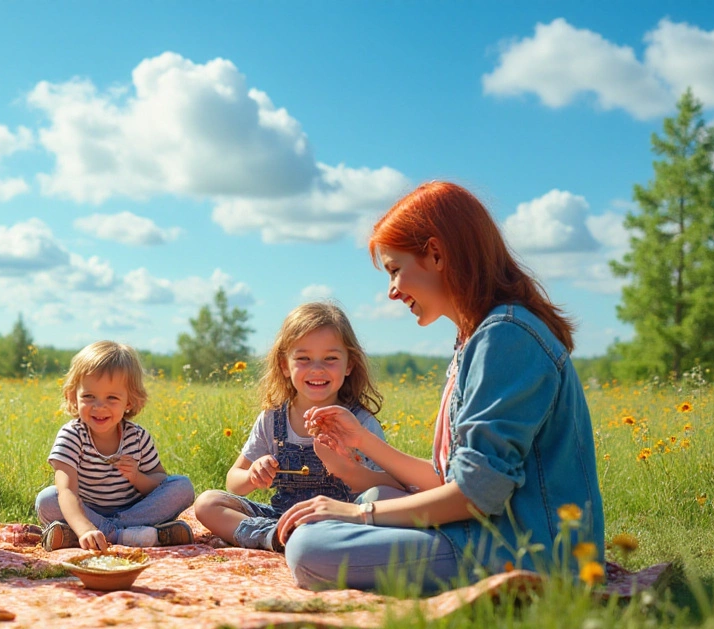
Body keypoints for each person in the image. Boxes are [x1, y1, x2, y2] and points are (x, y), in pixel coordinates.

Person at [278, 181, 604, 590]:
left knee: (311, 546)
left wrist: (357, 518)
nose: (392, 291)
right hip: (490, 532)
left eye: (395, 269)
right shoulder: (479, 336)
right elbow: (448, 481)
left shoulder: (506, 338)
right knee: (375, 497)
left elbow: (475, 493)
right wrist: (362, 440)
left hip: (528, 551)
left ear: (436, 254)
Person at [194, 302, 396, 552]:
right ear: (284, 365)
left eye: (330, 358)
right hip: (281, 519)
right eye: (303, 358)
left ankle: (294, 541)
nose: (317, 369)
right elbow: (233, 483)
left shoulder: (360, 423)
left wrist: (350, 470)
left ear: (349, 364)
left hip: (339, 521)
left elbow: (391, 486)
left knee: (382, 502)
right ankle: (275, 538)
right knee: (207, 503)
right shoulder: (272, 420)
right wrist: (253, 475)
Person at [36, 341, 195, 551]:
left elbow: (158, 482)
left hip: (135, 510)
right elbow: (66, 491)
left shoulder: (138, 437)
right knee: (47, 499)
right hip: (87, 511)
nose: (99, 406)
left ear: (129, 401)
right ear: (73, 396)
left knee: (182, 486)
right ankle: (133, 535)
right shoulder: (72, 435)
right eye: (89, 396)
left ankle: (102, 534)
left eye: (112, 398)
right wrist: (84, 527)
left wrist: (136, 477)